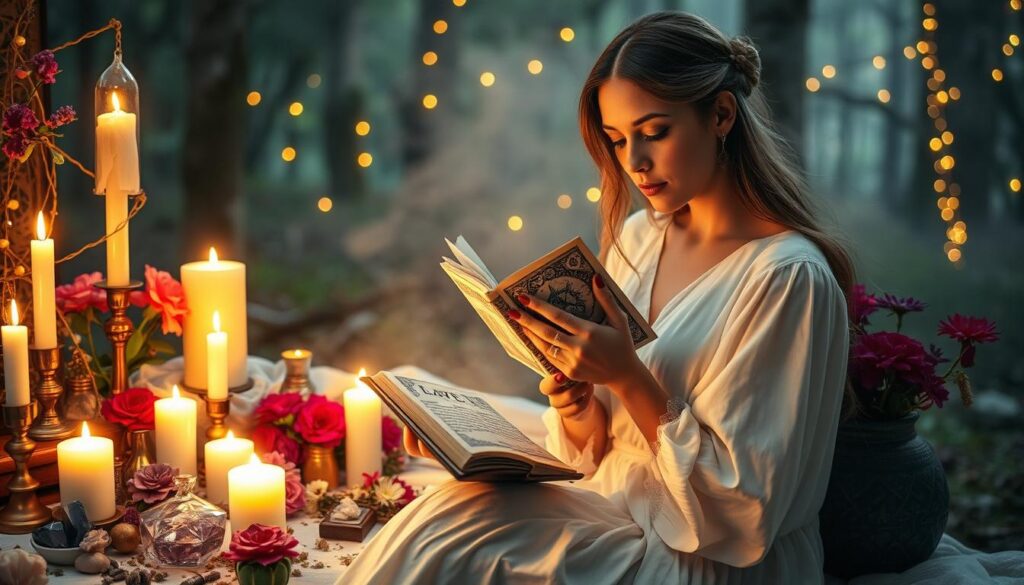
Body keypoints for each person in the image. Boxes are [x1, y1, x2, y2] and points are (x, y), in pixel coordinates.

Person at [338, 11, 853, 584]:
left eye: (655, 131)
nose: (634, 162)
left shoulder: (787, 280)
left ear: (722, 115)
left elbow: (743, 511)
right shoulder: (640, 237)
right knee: (443, 516)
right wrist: (580, 404)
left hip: (705, 559)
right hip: (614, 506)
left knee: (456, 542)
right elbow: (603, 449)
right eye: (617, 139)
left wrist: (629, 376)